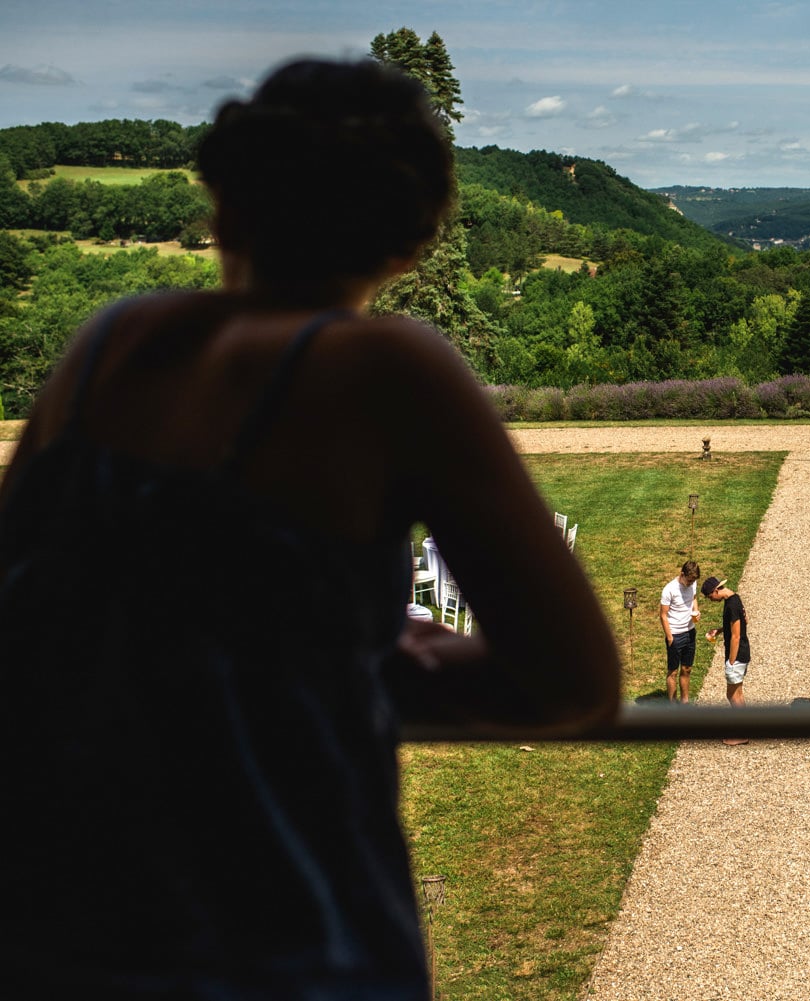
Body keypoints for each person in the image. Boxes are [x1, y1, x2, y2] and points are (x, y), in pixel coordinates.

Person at [0, 57, 620, 998]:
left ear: (226, 201)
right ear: (413, 238)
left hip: (56, 917)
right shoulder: (387, 368)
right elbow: (575, 681)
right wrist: (359, 665)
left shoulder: (107, 345)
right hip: (278, 927)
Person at [702, 575, 751, 745]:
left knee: (732, 695)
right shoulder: (735, 599)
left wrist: (731, 661)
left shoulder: (731, 605)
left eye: (710, 597)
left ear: (716, 590)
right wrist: (720, 630)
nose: (711, 600)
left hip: (737, 655)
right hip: (742, 653)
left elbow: (736, 636)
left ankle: (742, 734)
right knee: (738, 693)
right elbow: (744, 621)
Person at [661, 560, 701, 703]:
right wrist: (670, 637)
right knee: (673, 671)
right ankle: (673, 705)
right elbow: (663, 615)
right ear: (682, 574)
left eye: (693, 581)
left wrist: (696, 611)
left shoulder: (693, 583)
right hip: (675, 634)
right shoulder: (669, 589)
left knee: (687, 668)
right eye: (689, 580)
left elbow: (694, 598)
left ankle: (685, 702)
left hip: (690, 632)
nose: (690, 584)